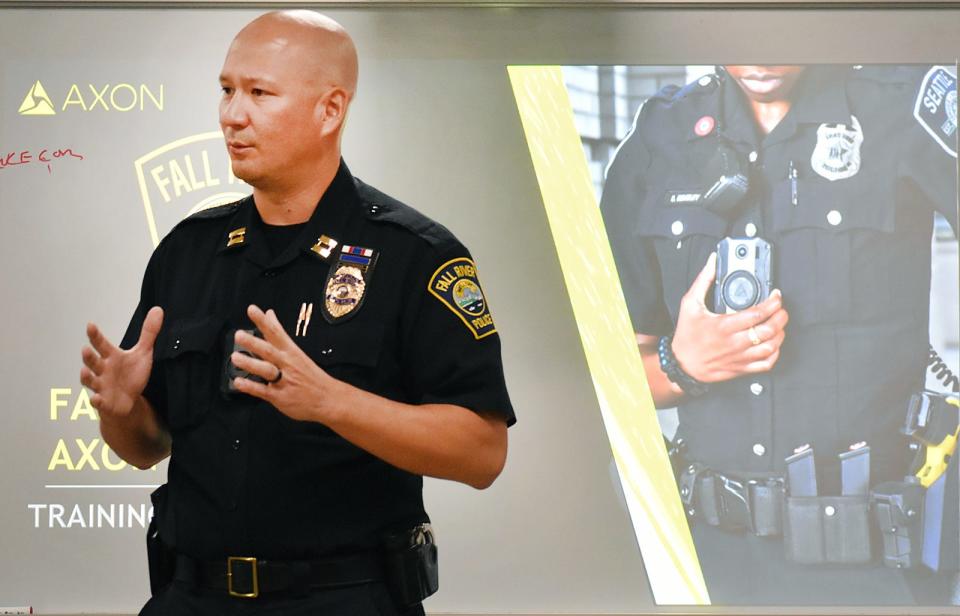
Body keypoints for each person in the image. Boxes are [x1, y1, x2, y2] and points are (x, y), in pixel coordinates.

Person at [79, 10, 514, 615]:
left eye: (260, 93)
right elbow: (146, 447)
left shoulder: (415, 255)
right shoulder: (188, 251)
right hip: (191, 595)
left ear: (330, 110)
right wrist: (122, 410)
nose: (233, 114)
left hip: (344, 599)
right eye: (227, 90)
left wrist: (331, 402)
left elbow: (482, 454)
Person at [600, 64, 957, 604]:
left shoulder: (904, 105)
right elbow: (607, 379)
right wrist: (682, 366)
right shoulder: (660, 133)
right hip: (708, 559)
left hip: (879, 560)